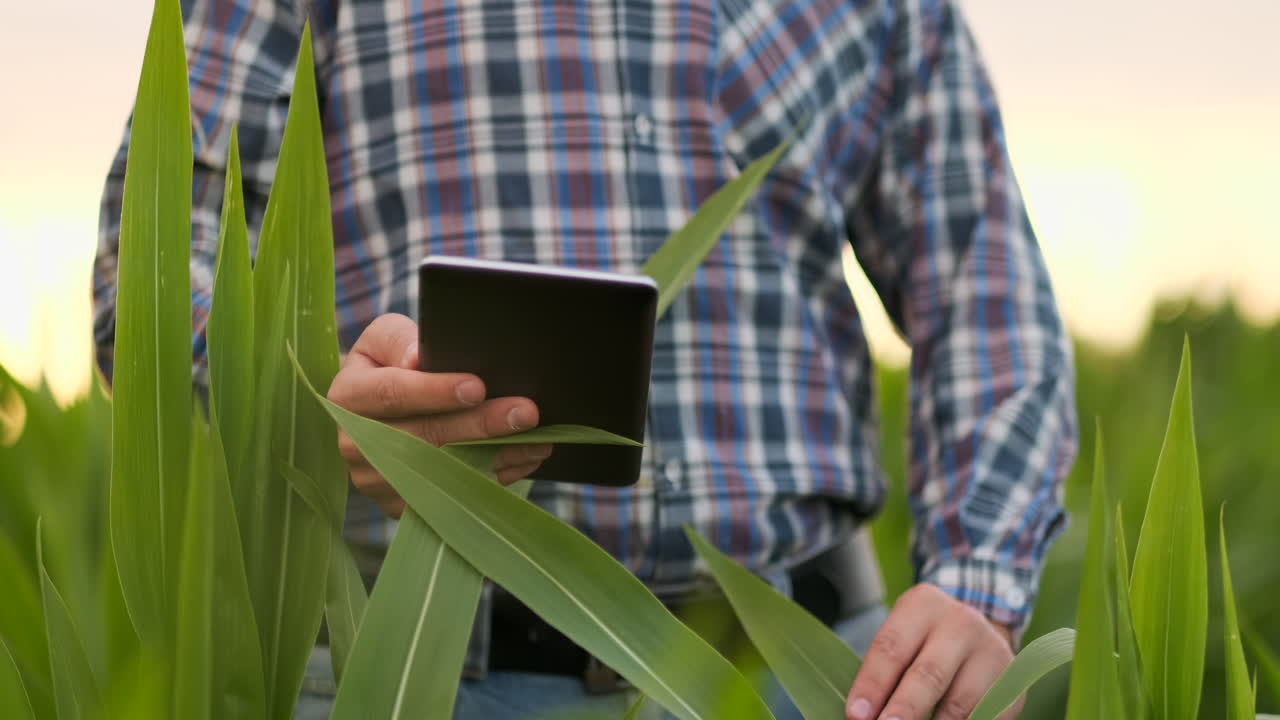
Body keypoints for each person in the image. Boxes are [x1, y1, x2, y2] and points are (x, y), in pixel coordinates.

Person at [93, 0, 1078, 718]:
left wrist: (978, 590)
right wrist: (320, 397)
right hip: (414, 672)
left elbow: (980, 290)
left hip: (817, 675)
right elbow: (143, 268)